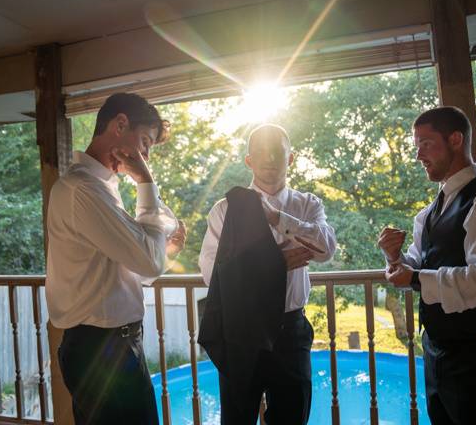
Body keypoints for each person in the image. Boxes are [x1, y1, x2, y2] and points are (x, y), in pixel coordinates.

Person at [379, 106, 476, 424]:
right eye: (416, 145)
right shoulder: (431, 210)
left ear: (456, 139)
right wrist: (394, 257)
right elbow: (418, 265)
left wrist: (416, 277)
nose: (418, 154)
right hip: (439, 352)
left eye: (425, 143)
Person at [45, 92, 186, 425]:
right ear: (120, 124)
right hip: (100, 351)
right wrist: (146, 182)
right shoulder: (83, 190)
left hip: (114, 346)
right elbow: (148, 263)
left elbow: (134, 270)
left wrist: (165, 252)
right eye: (146, 142)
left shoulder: (103, 188)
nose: (147, 155)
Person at [199, 124, 337, 425]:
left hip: (291, 329)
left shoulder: (308, 204)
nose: (270, 158)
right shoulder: (225, 210)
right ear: (249, 160)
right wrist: (273, 264)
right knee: (237, 419)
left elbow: (326, 249)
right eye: (261, 152)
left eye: (278, 151)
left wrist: (278, 218)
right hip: (241, 329)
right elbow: (210, 270)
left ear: (291, 158)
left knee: (292, 417)